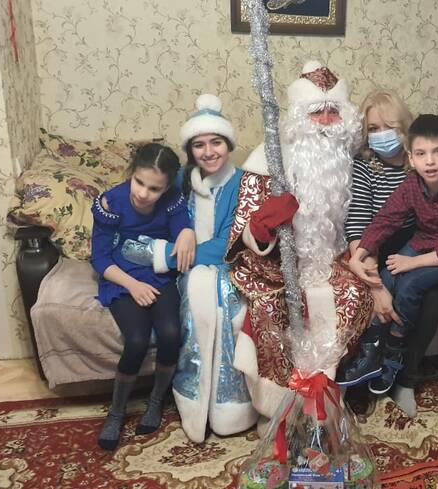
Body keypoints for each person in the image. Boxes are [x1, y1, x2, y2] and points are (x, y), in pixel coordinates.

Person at [226, 60, 373, 419]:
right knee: (270, 310)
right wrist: (263, 227)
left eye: (333, 112)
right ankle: (279, 410)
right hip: (277, 266)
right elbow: (243, 229)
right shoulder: (268, 159)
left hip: (334, 259)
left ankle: (326, 392)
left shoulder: (350, 161)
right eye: (316, 112)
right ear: (298, 117)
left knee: (356, 295)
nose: (325, 121)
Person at [123, 94, 258, 443]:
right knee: (195, 295)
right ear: (190, 149)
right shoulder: (179, 180)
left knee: (224, 300)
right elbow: (146, 225)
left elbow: (230, 243)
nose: (209, 152)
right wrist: (173, 248)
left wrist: (168, 255)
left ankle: (229, 405)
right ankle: (192, 401)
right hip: (184, 271)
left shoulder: (244, 182)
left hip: (228, 266)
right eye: (199, 145)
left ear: (228, 144)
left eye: (216, 142)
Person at [345, 113, 438, 415]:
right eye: (422, 154)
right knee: (389, 276)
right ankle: (375, 348)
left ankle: (397, 353)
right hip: (425, 242)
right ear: (411, 158)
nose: (430, 161)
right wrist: (358, 256)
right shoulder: (412, 182)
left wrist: (412, 263)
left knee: (416, 284)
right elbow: (385, 219)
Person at [90, 142, 195, 451]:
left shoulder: (172, 200)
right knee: (136, 340)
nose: (144, 193)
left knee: (171, 334)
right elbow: (100, 258)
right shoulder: (111, 203)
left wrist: (187, 232)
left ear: (167, 187)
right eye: (139, 182)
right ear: (131, 173)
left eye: (154, 188)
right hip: (122, 277)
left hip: (159, 274)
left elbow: (182, 225)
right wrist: (133, 286)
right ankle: (117, 411)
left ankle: (156, 400)